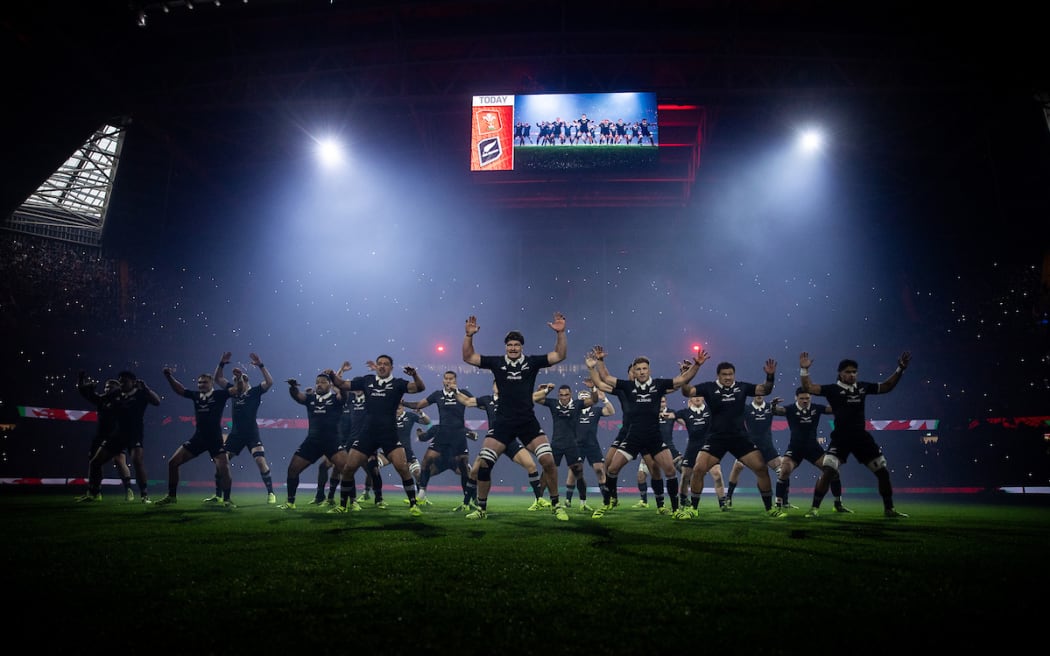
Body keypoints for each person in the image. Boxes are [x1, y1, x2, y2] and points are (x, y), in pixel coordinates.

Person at [460, 312, 568, 521]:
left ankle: (556, 505)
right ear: (505, 347)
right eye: (510, 344)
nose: (513, 348)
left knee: (547, 460)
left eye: (516, 344)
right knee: (484, 465)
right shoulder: (497, 362)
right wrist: (469, 336)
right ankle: (481, 509)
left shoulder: (532, 362)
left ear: (521, 347)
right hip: (503, 423)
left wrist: (561, 333)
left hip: (527, 421)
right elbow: (468, 357)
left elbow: (559, 355)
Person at [585, 347, 705, 518]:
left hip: (654, 437)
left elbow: (682, 380)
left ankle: (675, 509)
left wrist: (697, 365)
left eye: (644, 368)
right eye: (638, 369)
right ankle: (607, 503)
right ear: (633, 371)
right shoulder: (627, 387)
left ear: (649, 370)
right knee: (611, 469)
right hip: (632, 436)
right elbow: (604, 378)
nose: (641, 372)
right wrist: (599, 362)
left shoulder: (658, 385)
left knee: (669, 471)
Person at [799, 351, 912, 518]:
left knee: (882, 472)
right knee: (828, 471)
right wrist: (804, 370)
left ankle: (889, 509)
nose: (852, 375)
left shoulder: (863, 387)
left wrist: (900, 369)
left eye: (854, 372)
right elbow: (808, 387)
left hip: (862, 438)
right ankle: (814, 509)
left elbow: (887, 387)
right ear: (840, 373)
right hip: (840, 438)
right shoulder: (832, 389)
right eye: (848, 372)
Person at [678, 357, 785, 519]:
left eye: (730, 374)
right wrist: (686, 374)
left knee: (762, 469)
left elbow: (765, 390)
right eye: (724, 374)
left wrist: (770, 376)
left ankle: (770, 509)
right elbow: (687, 392)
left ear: (734, 375)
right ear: (718, 376)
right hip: (716, 438)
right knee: (698, 470)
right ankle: (693, 509)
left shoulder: (742, 387)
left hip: (739, 438)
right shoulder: (709, 387)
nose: (728, 377)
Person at [328, 355, 427, 515]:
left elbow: (420, 388)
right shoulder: (367, 381)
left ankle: (413, 504)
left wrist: (414, 375)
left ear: (391, 368)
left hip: (389, 434)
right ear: (377, 366)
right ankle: (343, 505)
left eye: (385, 364)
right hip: (368, 433)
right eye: (379, 363)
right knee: (348, 469)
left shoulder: (397, 384)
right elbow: (341, 384)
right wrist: (332, 374)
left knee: (402, 468)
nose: (382, 366)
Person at [457, 382, 549, 511]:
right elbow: (467, 401)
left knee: (531, 465)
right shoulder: (486, 400)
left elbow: (532, 397)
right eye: (497, 384)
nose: (499, 386)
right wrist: (455, 392)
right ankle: (466, 504)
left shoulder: (511, 399)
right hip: (493, 441)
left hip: (510, 440)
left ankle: (538, 499)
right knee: (474, 472)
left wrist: (545, 391)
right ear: (493, 386)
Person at [77, 370, 161, 503]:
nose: (121, 383)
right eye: (120, 380)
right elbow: (94, 398)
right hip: (117, 435)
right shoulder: (115, 395)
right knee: (95, 462)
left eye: (124, 381)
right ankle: (94, 493)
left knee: (136, 461)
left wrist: (146, 389)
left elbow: (157, 402)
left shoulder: (140, 394)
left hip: (134, 434)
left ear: (133, 382)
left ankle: (144, 495)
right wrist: (84, 385)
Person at [154, 368, 233, 507]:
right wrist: (168, 376)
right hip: (199, 438)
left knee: (224, 468)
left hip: (215, 439)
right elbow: (180, 390)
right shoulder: (196, 396)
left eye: (204, 382)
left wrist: (238, 378)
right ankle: (172, 497)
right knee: (172, 463)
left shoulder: (220, 395)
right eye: (199, 383)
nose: (201, 385)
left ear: (211, 383)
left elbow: (236, 390)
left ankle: (227, 500)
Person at [209, 352, 277, 504]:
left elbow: (270, 381)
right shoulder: (233, 393)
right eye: (234, 381)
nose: (236, 384)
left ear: (246, 382)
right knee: (221, 462)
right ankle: (219, 496)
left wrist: (261, 365)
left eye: (238, 381)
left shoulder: (253, 392)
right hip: (236, 435)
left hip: (252, 434)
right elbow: (218, 379)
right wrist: (221, 363)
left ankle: (271, 493)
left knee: (260, 461)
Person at [277, 372, 348, 510]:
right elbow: (298, 397)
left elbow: (344, 396)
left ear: (329, 384)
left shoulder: (335, 399)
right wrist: (292, 387)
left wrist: (339, 384)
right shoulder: (310, 398)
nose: (319, 384)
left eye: (322, 382)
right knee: (292, 470)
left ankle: (345, 504)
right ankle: (290, 502)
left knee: (346, 470)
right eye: (317, 382)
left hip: (332, 441)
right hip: (312, 442)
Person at [772, 386, 850, 512]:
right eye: (802, 398)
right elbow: (777, 411)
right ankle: (778, 505)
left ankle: (838, 504)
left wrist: (842, 401)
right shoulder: (790, 408)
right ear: (796, 398)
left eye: (807, 398)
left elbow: (833, 410)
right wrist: (773, 406)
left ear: (810, 398)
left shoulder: (816, 408)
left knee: (834, 471)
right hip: (795, 448)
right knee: (784, 471)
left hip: (813, 448)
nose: (804, 401)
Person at [403, 370, 475, 506]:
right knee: (426, 460)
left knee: (464, 468)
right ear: (443, 380)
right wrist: (404, 403)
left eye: (451, 379)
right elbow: (419, 404)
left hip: (458, 435)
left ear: (455, 381)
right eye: (446, 379)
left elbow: (475, 403)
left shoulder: (463, 393)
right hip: (442, 434)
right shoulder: (437, 394)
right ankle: (421, 495)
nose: (448, 381)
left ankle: (467, 501)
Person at [536, 382, 598, 511]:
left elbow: (594, 400)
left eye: (566, 395)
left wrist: (593, 388)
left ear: (571, 395)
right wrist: (543, 390)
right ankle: (538, 500)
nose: (564, 398)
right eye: (561, 395)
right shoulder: (553, 403)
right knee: (546, 472)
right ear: (558, 395)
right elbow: (535, 399)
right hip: (556, 444)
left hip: (572, 445)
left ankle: (583, 502)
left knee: (579, 473)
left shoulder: (577, 404)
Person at [74, 372, 133, 502]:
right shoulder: (102, 399)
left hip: (115, 437)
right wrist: (81, 380)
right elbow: (84, 393)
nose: (107, 389)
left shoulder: (121, 399)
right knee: (95, 463)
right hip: (100, 436)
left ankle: (128, 490)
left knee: (119, 461)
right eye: (106, 387)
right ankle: (95, 492)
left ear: (117, 388)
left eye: (110, 387)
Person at [724, 393, 782, 509]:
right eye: (757, 394)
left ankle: (781, 501)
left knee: (782, 471)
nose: (759, 395)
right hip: (751, 447)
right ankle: (728, 498)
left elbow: (782, 412)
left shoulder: (770, 407)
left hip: (767, 446)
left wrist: (775, 407)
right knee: (737, 467)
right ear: (753, 395)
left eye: (761, 394)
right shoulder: (747, 408)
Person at [564, 383, 615, 511]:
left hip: (592, 445)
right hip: (577, 446)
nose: (584, 399)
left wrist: (604, 399)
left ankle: (606, 501)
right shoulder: (573, 411)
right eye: (581, 397)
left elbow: (611, 412)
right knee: (574, 473)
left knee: (600, 470)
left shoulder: (596, 411)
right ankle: (569, 500)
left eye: (586, 397)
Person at [673, 392, 726, 514]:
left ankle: (723, 502)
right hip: (692, 448)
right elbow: (673, 416)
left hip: (709, 448)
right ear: (691, 399)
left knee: (717, 474)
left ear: (703, 398)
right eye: (694, 397)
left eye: (699, 396)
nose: (697, 398)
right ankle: (683, 501)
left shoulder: (710, 410)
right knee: (686, 476)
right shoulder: (686, 413)